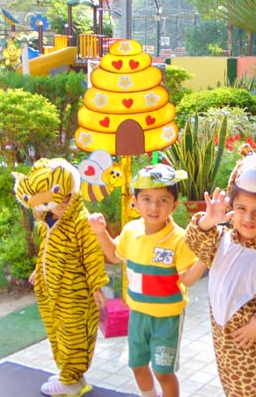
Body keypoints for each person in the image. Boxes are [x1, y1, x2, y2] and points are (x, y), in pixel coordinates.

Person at [184, 146, 256, 397]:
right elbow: (193, 241)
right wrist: (209, 220)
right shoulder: (219, 239)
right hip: (223, 345)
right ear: (232, 206)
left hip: (250, 350)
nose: (248, 218)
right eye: (241, 208)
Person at [89, 164, 206, 397]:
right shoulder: (131, 231)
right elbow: (113, 255)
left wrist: (204, 259)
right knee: (137, 365)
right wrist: (101, 232)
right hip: (138, 315)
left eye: (163, 200)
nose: (154, 207)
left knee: (163, 373)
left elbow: (187, 279)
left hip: (167, 319)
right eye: (146, 199)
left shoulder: (179, 239)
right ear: (135, 202)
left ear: (174, 205)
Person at [13, 158, 109, 397]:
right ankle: (72, 375)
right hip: (53, 290)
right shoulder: (46, 222)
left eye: (61, 201)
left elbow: (92, 254)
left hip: (74, 292)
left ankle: (70, 381)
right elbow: (47, 250)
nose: (58, 207)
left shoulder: (80, 222)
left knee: (74, 334)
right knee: (58, 332)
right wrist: (39, 269)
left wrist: (97, 286)